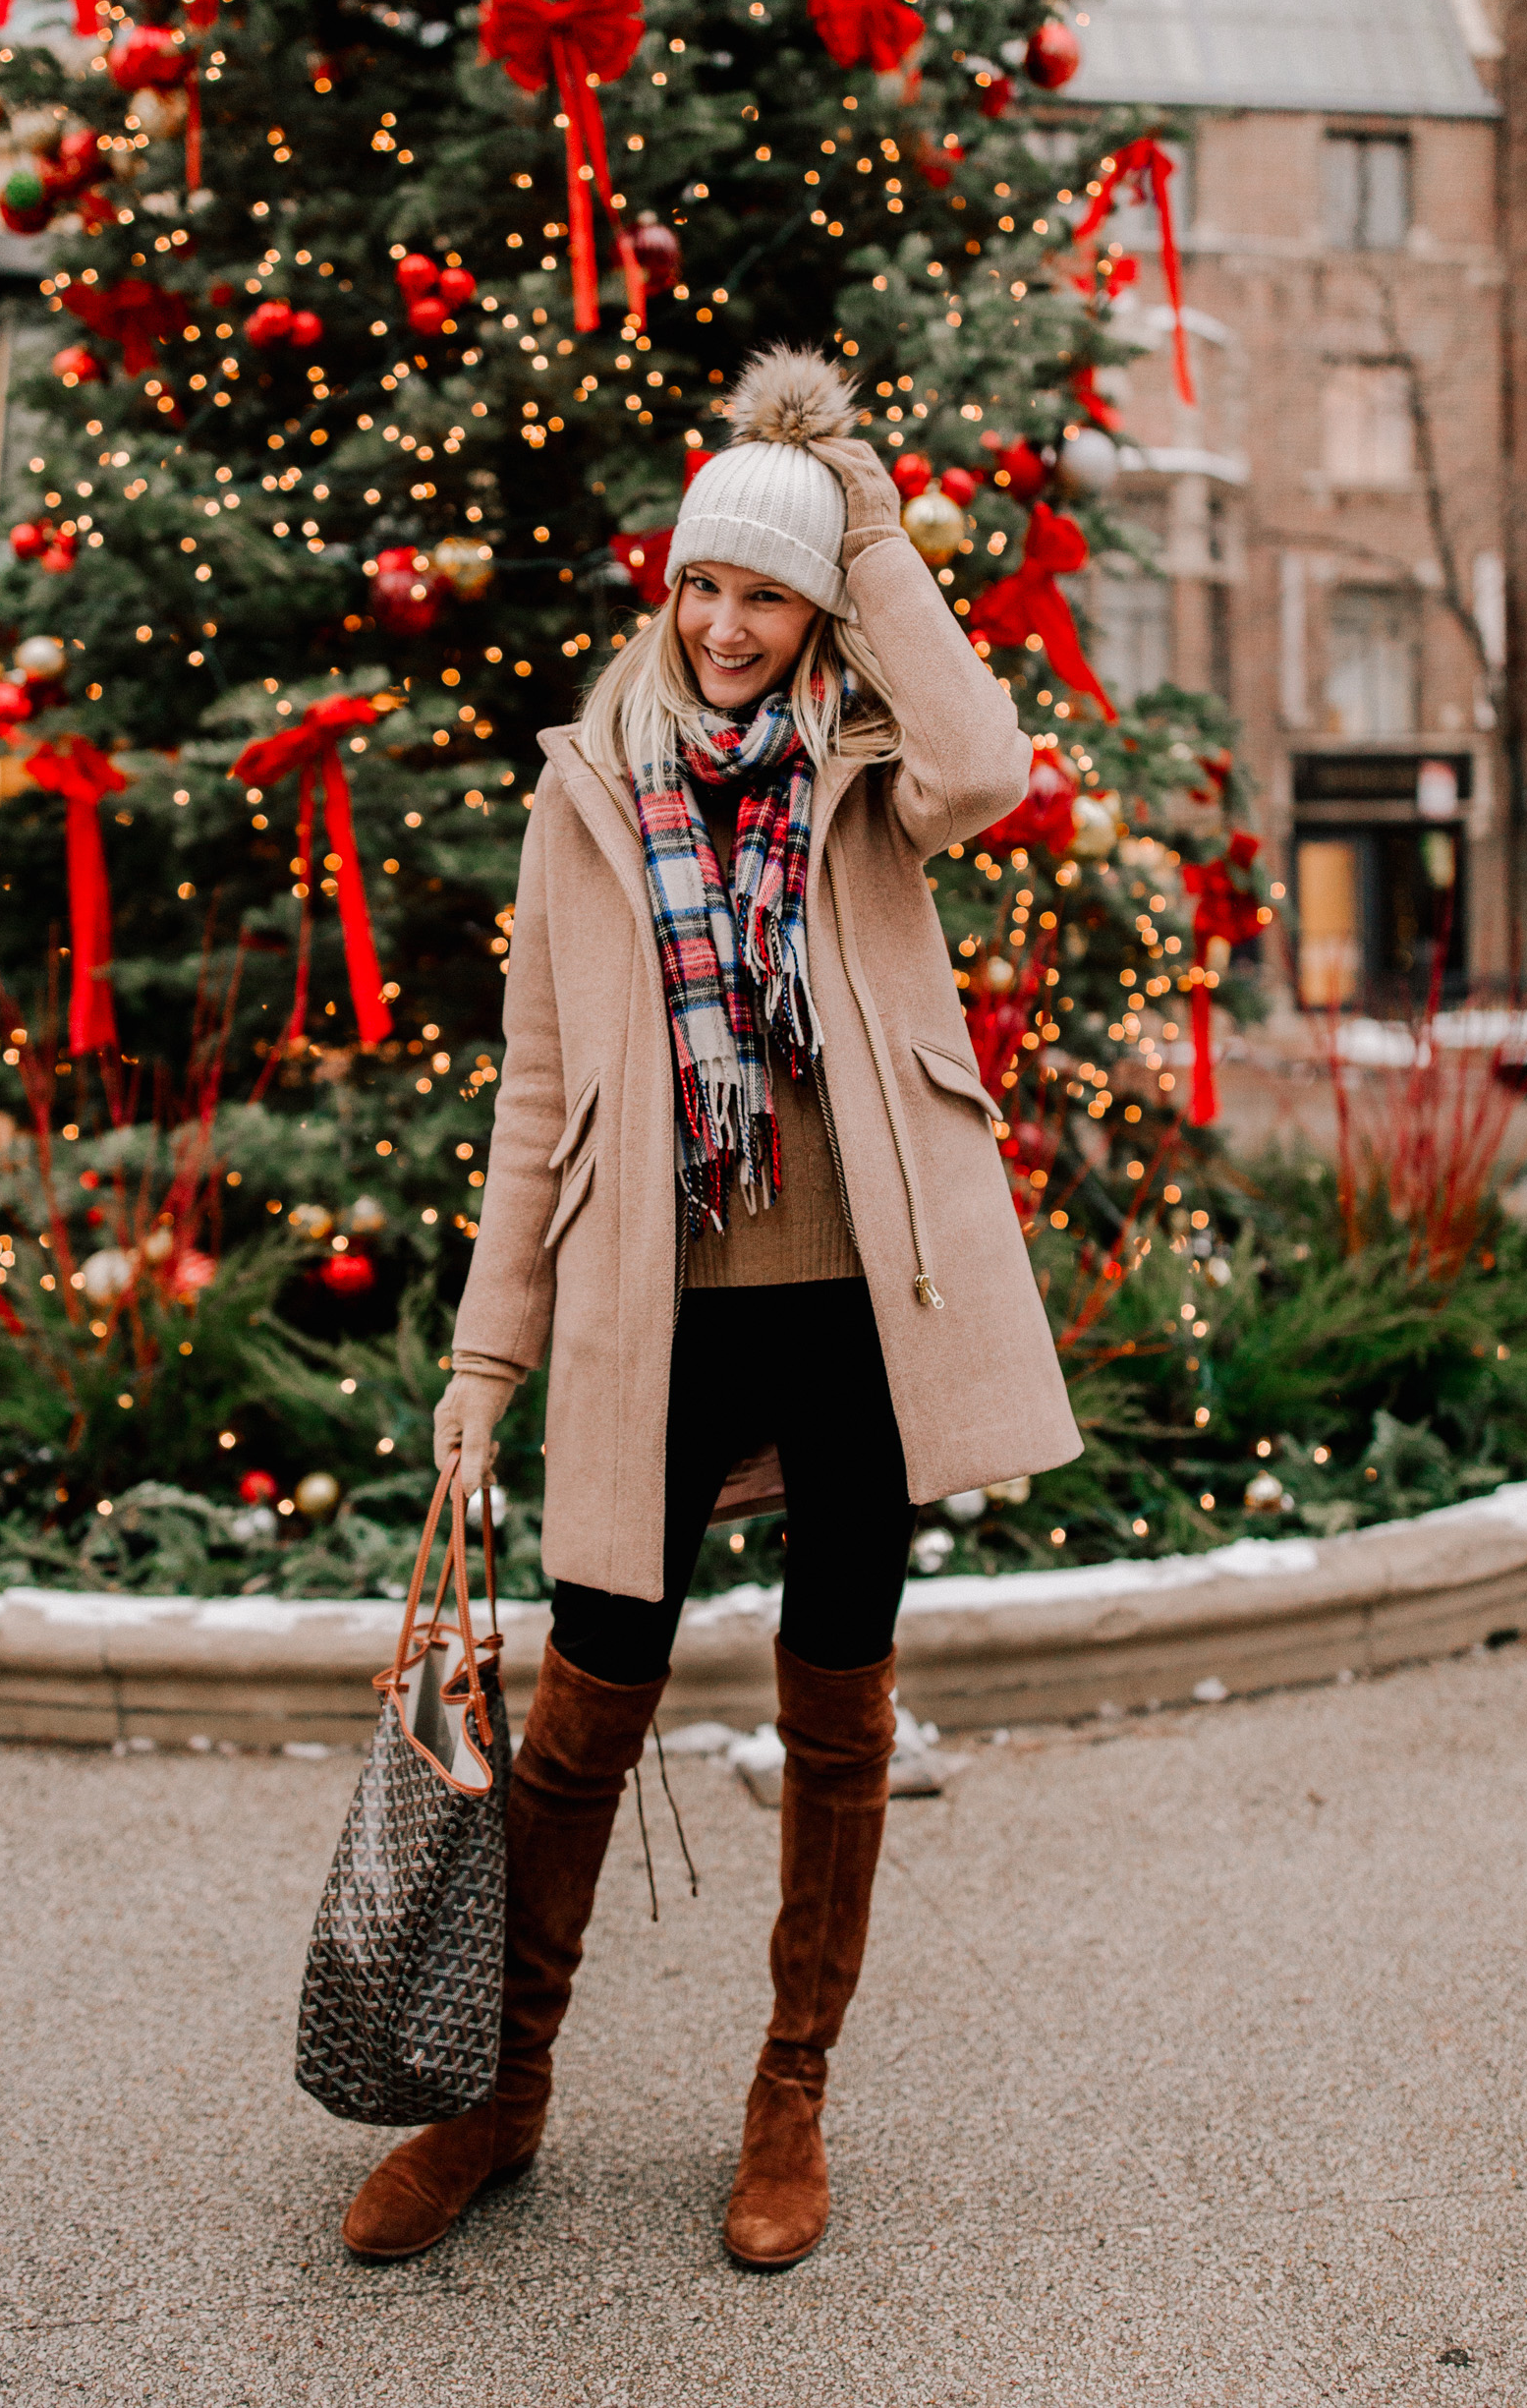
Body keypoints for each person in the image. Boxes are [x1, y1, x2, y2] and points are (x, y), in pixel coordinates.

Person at [341, 344, 1081, 2270]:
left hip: (859, 1310)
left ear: (818, 608)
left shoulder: (869, 776)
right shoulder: (587, 788)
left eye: (769, 591)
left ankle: (791, 2093)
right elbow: (529, 1089)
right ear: (668, 587)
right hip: (650, 1310)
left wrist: (866, 508)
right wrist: (482, 1358)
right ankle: (500, 2092)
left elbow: (992, 762)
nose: (729, 623)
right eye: (706, 583)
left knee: (839, 1705)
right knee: (588, 1702)